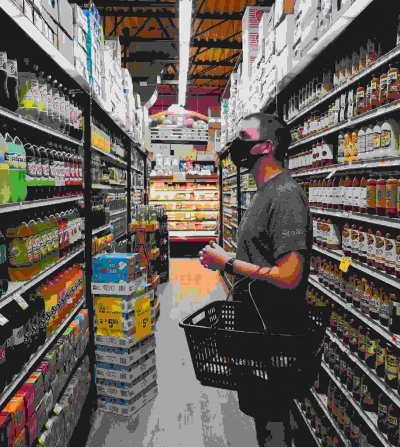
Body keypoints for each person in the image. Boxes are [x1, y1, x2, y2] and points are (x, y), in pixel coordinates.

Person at [198, 113, 313, 447]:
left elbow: (290, 276)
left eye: (242, 136)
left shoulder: (286, 195)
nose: (236, 144)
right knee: (263, 416)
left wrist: (229, 262)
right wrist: (227, 257)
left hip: (275, 333)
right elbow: (261, 257)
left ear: (266, 145)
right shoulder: (264, 192)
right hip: (259, 330)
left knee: (273, 416)